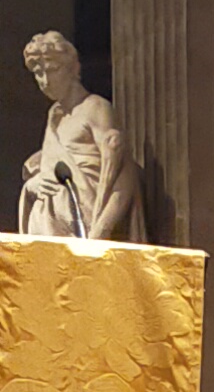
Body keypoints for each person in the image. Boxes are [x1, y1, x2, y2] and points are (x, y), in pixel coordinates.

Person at [18, 33, 147, 241]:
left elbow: (123, 173)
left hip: (86, 224)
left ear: (73, 69)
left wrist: (101, 230)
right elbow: (51, 165)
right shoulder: (55, 116)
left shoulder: (95, 107)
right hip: (48, 226)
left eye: (53, 69)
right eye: (38, 73)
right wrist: (32, 186)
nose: (45, 81)